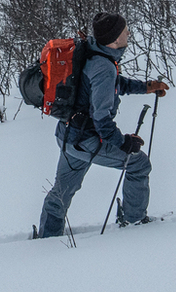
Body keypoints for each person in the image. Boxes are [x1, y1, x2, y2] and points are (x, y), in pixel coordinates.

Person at [35, 13, 168, 238]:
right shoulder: (104, 67)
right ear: (115, 39)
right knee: (139, 165)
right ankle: (134, 221)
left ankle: (47, 236)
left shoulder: (92, 51)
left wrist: (146, 87)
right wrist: (123, 143)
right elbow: (101, 119)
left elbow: (114, 85)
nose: (128, 33)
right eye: (125, 30)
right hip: (86, 140)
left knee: (62, 190)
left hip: (68, 135)